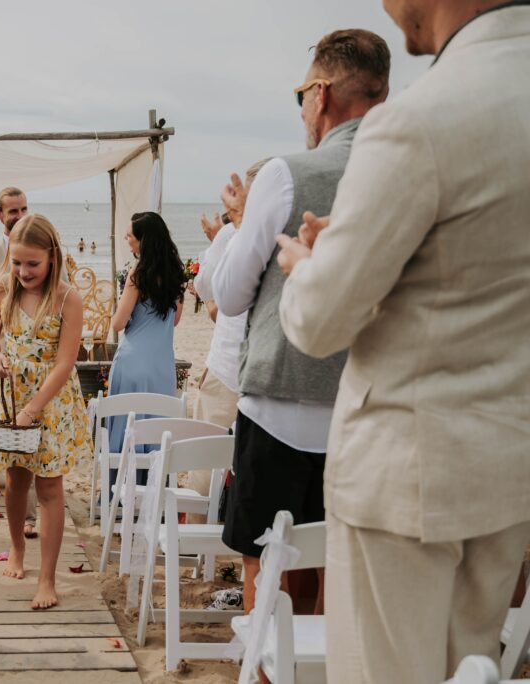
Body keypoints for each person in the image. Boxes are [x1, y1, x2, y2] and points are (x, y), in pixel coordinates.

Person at [275, 3, 530, 681]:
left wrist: (307, 268)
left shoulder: (419, 119)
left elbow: (321, 323)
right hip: (507, 472)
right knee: (471, 669)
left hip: (406, 479)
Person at [210, 29, 390, 614]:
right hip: (367, 410)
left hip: (279, 406)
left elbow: (232, 296)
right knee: (330, 571)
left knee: (266, 567)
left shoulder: (286, 174)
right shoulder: (406, 171)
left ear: (321, 93)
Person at [0, 213, 92, 610]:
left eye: (33, 263)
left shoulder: (67, 299)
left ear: (52, 258)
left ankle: (47, 578)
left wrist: (34, 408)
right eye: (16, 262)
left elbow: (65, 363)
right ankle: (15, 549)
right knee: (14, 480)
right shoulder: (2, 289)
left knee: (49, 488)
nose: (23, 271)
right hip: (11, 395)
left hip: (51, 401)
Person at [106, 212, 187, 487]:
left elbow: (118, 323)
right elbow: (174, 320)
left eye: (130, 236)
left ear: (143, 241)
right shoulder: (176, 275)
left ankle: (121, 493)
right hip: (162, 366)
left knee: (126, 428)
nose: (127, 240)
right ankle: (152, 495)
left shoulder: (138, 274)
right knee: (157, 429)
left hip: (132, 363)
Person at [193, 159, 269, 429]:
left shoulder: (233, 233)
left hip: (228, 366)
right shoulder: (294, 232)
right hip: (269, 377)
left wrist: (216, 244)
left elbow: (204, 285)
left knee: (206, 460)